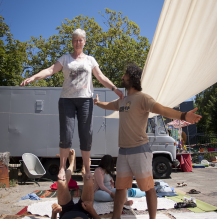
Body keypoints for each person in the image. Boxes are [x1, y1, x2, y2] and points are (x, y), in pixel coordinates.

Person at [93, 63, 202, 219]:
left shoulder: (143, 98)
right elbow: (110, 105)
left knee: (148, 188)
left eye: (125, 75)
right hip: (123, 151)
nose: (122, 77)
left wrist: (184, 116)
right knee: (120, 188)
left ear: (131, 78)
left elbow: (162, 109)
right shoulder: (123, 100)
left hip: (140, 150)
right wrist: (98, 103)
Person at [20, 28, 124, 181]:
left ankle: (87, 169)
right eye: (75, 40)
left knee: (86, 135)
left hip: (86, 101)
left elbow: (100, 76)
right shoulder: (65, 59)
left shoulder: (90, 60)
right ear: (72, 42)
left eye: (80, 40)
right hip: (67, 100)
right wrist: (33, 77)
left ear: (84, 42)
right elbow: (50, 70)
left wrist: (115, 89)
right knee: (66, 135)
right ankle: (62, 167)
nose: (77, 42)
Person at [51, 149, 100, 219]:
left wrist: (54, 213)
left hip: (65, 211)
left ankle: (71, 166)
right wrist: (92, 211)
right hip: (85, 210)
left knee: (61, 182)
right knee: (89, 180)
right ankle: (84, 171)